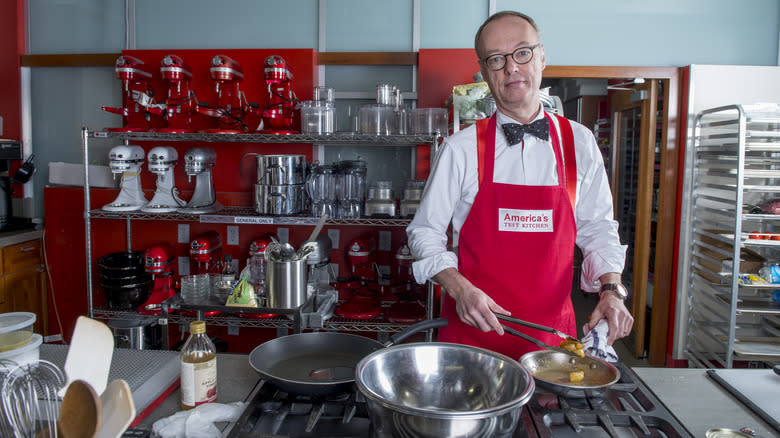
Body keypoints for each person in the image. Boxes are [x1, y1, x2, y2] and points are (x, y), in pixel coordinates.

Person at [406, 10, 634, 359]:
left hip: (552, 342)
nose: (511, 67)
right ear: (484, 72)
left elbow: (598, 229)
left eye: (522, 52)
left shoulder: (580, 142)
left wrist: (611, 291)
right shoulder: (460, 149)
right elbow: (424, 232)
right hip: (474, 339)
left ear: (542, 56)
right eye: (496, 59)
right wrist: (459, 288)